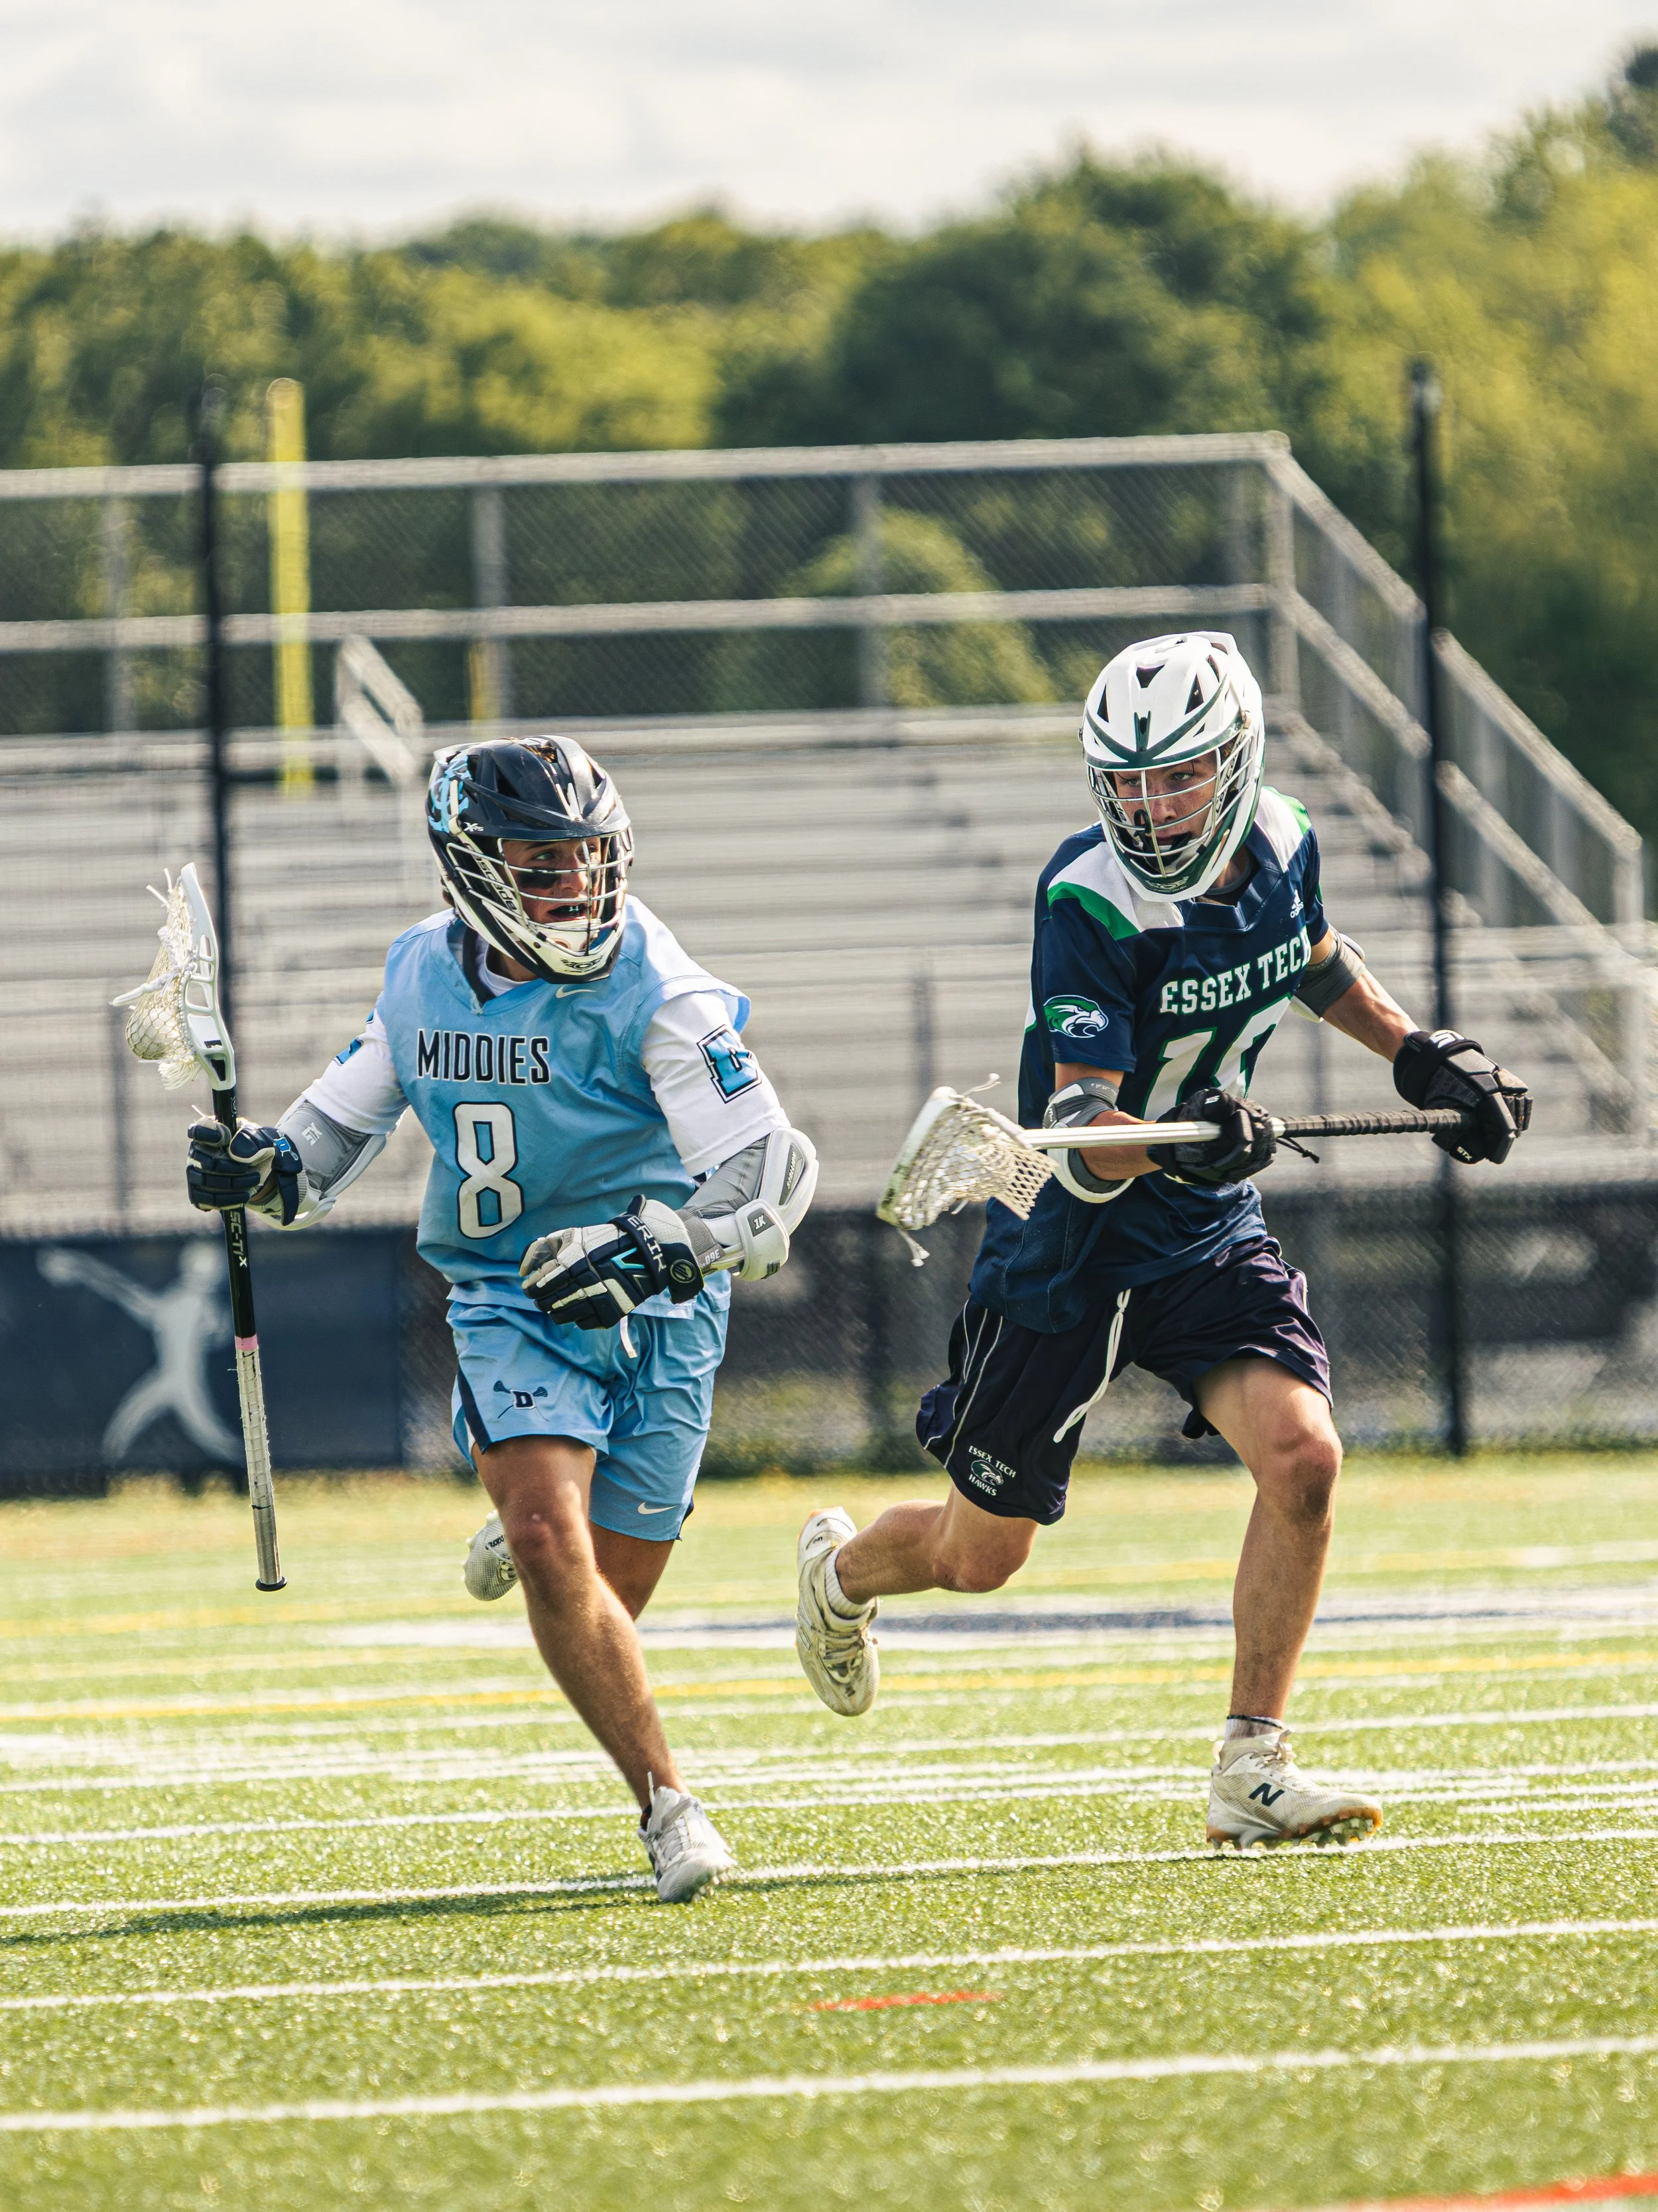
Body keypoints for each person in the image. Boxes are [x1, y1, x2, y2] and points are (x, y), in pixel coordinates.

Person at [795, 631, 1530, 1849]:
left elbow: (1310, 954)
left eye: (1179, 777)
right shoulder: (1088, 892)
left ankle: (1252, 1760)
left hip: (1199, 1229)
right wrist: (1185, 1134)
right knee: (981, 1560)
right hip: (1070, 1241)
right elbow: (1082, 1123)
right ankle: (841, 1577)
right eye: (1128, 781)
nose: (1151, 805)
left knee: (1304, 1461)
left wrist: (1415, 1052)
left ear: (1237, 761)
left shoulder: (1288, 837)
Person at [185, 736, 816, 1902]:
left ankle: (539, 1514)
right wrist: (257, 1166)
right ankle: (668, 1804)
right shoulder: (419, 974)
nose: (572, 886)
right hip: (508, 1296)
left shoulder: (656, 982)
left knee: (603, 1596)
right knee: (546, 1544)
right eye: (538, 863)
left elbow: (773, 1177)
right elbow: (321, 1150)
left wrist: (646, 1249)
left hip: (664, 1302)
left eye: (584, 859)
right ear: (466, 869)